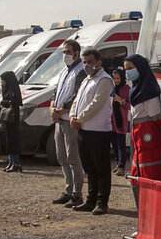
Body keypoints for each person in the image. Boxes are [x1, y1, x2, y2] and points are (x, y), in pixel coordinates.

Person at [69, 49, 115, 213]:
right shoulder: (86, 80)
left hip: (99, 131)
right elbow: (77, 100)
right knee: (89, 168)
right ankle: (90, 200)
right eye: (85, 62)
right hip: (83, 130)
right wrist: (73, 116)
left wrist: (80, 118)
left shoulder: (105, 80)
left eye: (90, 62)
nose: (87, 65)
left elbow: (97, 103)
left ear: (98, 62)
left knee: (101, 168)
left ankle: (102, 202)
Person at [50, 40, 87, 206]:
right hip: (59, 120)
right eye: (64, 52)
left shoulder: (81, 71)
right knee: (62, 157)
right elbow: (55, 92)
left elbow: (77, 95)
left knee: (73, 157)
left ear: (77, 53)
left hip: (69, 120)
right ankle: (68, 189)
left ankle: (77, 194)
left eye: (68, 52)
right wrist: (52, 108)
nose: (65, 55)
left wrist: (63, 110)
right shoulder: (64, 72)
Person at [124, 54, 161, 193]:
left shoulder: (148, 91)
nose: (128, 72)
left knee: (150, 174)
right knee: (137, 174)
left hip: (149, 141)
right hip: (138, 140)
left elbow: (157, 118)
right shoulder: (135, 90)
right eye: (126, 69)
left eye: (131, 68)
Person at [0, 70, 23, 172]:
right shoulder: (6, 89)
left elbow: (14, 101)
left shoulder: (13, 89)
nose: (2, 83)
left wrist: (3, 102)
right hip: (7, 119)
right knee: (8, 140)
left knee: (13, 140)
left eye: (3, 80)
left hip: (12, 118)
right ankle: (11, 161)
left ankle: (16, 163)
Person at [109, 66, 130, 176]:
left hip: (121, 120)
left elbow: (130, 105)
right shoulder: (111, 88)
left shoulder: (126, 88)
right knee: (114, 144)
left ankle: (122, 166)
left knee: (121, 144)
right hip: (111, 121)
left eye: (118, 78)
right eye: (114, 78)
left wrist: (120, 101)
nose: (116, 80)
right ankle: (118, 163)